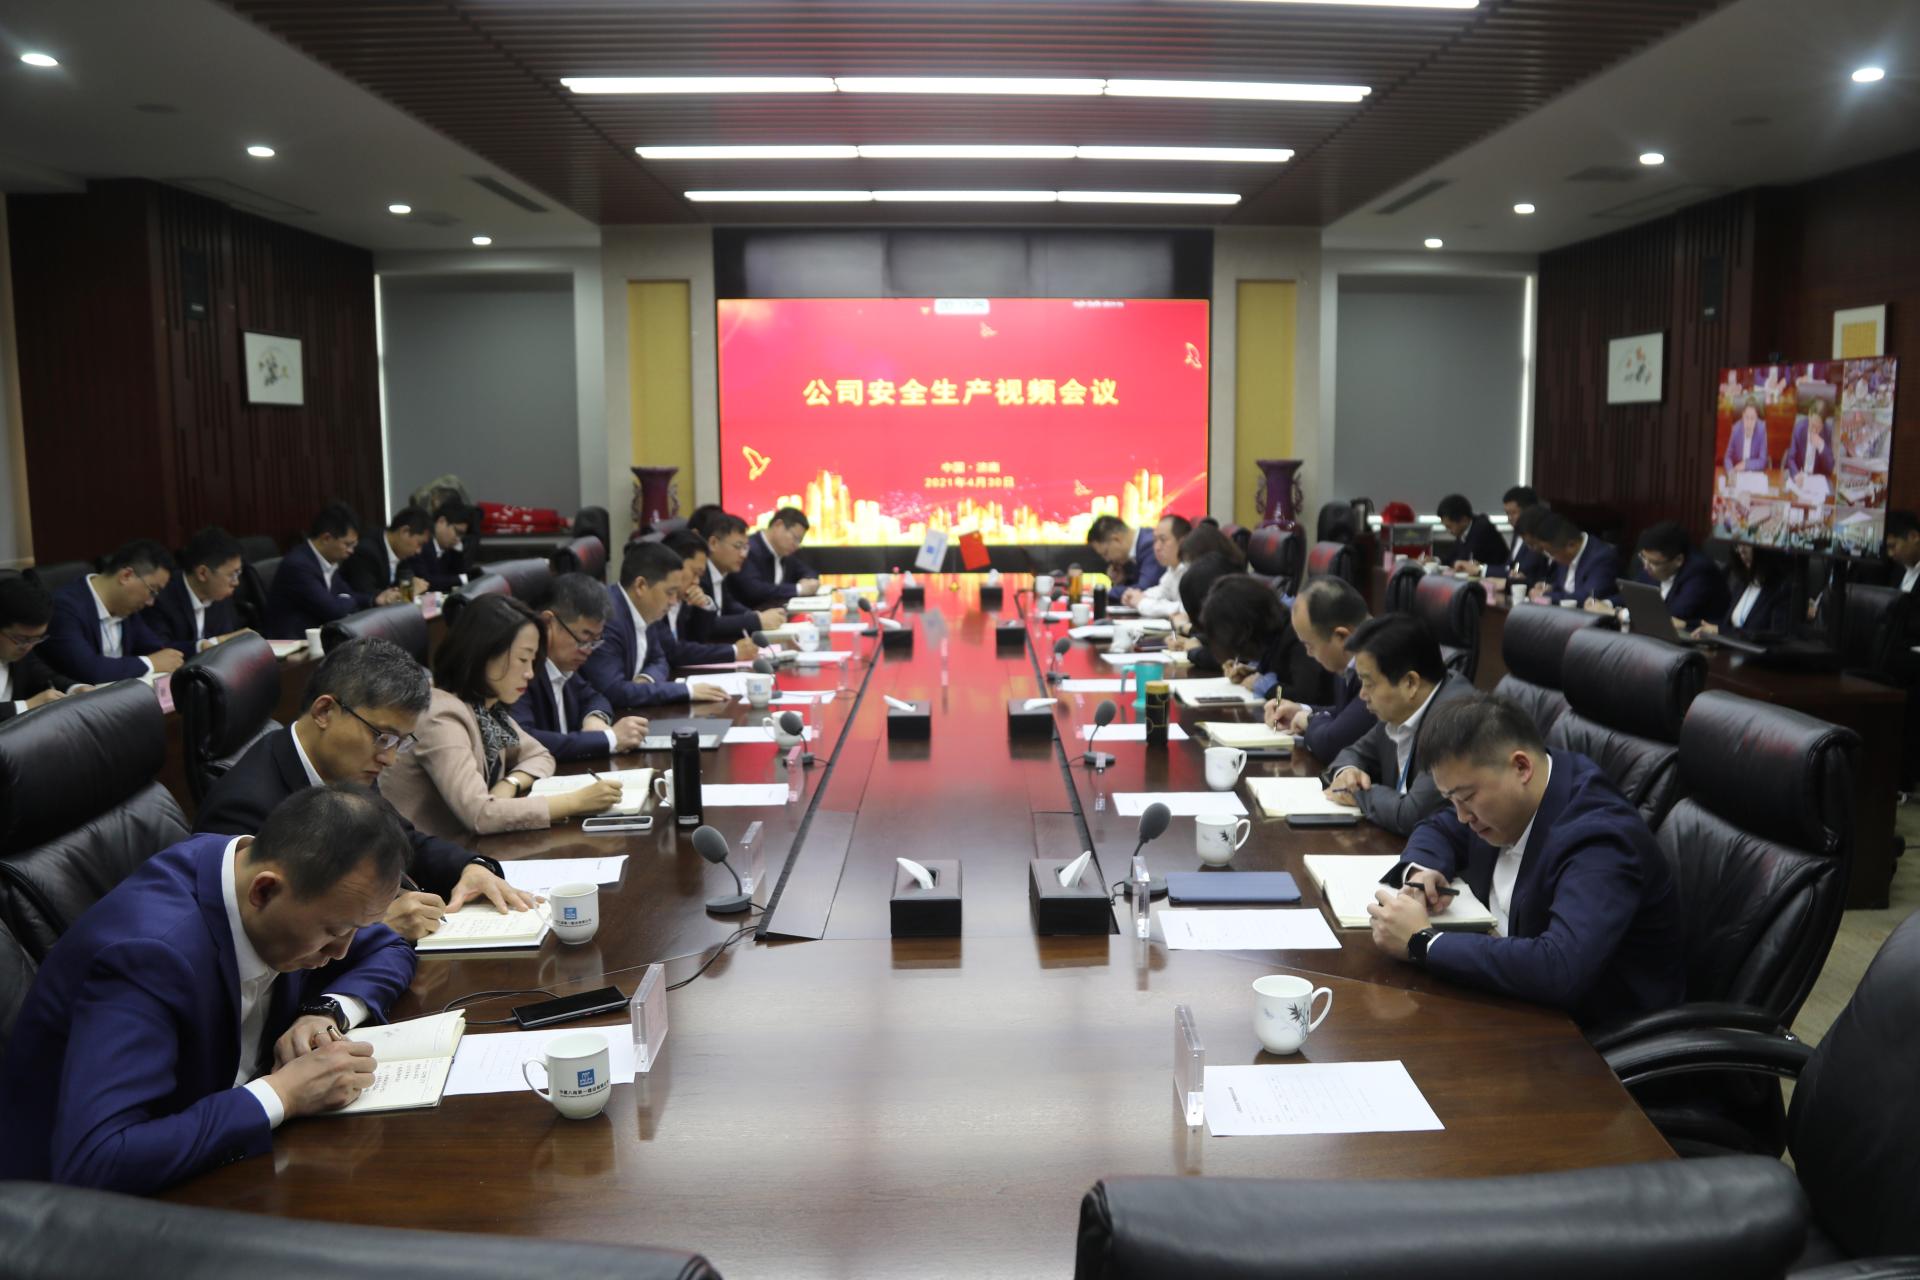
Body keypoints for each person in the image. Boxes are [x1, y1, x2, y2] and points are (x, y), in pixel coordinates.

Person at [0, 784, 419, 1193]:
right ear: (264, 891)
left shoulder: (267, 876)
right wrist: (283, 1094)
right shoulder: (148, 956)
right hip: (66, 1211)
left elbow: (391, 946)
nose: (341, 951)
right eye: (334, 931)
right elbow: (99, 1160)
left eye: (353, 930)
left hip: (221, 1141)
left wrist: (323, 1011)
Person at [1365, 694, 1685, 1026]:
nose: (1462, 816)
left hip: (1586, 1033)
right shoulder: (1513, 789)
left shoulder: (1600, 839)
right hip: (1506, 995)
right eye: (1451, 799)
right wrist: (1422, 870)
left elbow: (1560, 968)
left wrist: (1424, 942)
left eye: (1466, 797)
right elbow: (1440, 826)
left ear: (1521, 767)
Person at [196, 636, 537, 940]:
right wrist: (375, 927)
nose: (389, 758)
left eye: (401, 742)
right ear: (325, 711)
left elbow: (400, 839)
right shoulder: (244, 808)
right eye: (382, 737)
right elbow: (256, 938)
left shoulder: (343, 766)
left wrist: (470, 867)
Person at [379, 595, 621, 842]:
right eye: (522, 659)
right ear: (484, 653)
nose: (529, 673)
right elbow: (480, 814)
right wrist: (575, 802)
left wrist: (510, 783)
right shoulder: (441, 716)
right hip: (425, 858)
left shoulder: (484, 707)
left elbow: (540, 755)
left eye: (532, 661)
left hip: (471, 848)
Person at [1322, 613, 1475, 836]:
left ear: (1410, 683)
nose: (1362, 695)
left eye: (1369, 684)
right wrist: (1348, 773)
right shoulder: (1400, 710)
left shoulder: (1456, 720)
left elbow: (1413, 815)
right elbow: (1353, 753)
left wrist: (1357, 792)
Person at [507, 572, 650, 760]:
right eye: (583, 639)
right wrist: (610, 739)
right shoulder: (521, 670)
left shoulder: (564, 663)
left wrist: (595, 718)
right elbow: (524, 741)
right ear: (548, 622)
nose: (588, 651)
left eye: (595, 641)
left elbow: (594, 697)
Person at [581, 541, 731, 710]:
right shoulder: (608, 619)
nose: (674, 601)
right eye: (670, 592)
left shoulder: (645, 610)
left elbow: (660, 659)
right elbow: (614, 692)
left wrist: (646, 679)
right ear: (641, 586)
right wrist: (686, 690)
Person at [42, 538, 185, 684]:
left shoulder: (126, 607)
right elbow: (90, 670)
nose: (151, 602)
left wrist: (195, 648)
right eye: (152, 590)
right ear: (126, 576)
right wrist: (151, 663)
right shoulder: (64, 608)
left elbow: (158, 649)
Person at [1265, 577, 1377, 762]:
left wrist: (1309, 721)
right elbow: (1345, 714)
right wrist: (1301, 710)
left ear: (1342, 637)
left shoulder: (1379, 665)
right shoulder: (1351, 658)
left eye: (1309, 645)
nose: (1309, 654)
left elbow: (1332, 743)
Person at [264, 503, 403, 640]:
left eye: (353, 545)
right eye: (347, 544)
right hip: (294, 643)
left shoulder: (326, 560)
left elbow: (348, 595)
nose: (351, 551)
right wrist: (345, 600)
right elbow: (335, 611)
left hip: (321, 635)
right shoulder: (298, 566)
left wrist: (375, 599)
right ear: (326, 538)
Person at [1198, 573, 1330, 705]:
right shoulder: (1271, 634)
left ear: (1246, 629)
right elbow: (1282, 676)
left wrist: (1265, 687)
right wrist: (1253, 673)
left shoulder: (1297, 634)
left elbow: (1306, 697)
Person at [666, 529, 764, 662]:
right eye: (695, 572)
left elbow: (698, 640)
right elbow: (673, 651)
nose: (696, 581)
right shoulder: (657, 602)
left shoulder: (684, 597)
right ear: (674, 564)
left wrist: (704, 605)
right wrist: (734, 651)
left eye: (699, 575)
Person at [148, 527, 248, 654]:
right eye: (232, 575)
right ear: (203, 573)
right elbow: (161, 651)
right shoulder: (162, 598)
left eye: (238, 573)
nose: (236, 582)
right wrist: (205, 645)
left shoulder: (220, 595)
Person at [0, 575, 78, 721]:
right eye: (22, 639)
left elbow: (38, 671)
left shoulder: (19, 647)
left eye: (37, 639)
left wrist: (74, 688)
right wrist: (26, 706)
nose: (28, 647)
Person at [1629, 520, 1730, 629]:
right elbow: (1630, 595)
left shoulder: (1700, 572)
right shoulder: (1652, 566)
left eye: (1654, 563)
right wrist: (1614, 606)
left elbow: (1674, 615)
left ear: (1678, 560)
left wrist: (1627, 614)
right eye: (1643, 558)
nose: (1646, 566)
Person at [696, 513, 787, 633]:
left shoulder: (720, 572)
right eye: (738, 546)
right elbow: (708, 625)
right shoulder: (698, 576)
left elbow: (729, 604)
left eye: (745, 547)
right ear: (713, 543)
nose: (743, 555)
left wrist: (757, 615)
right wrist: (756, 620)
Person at [1694, 543, 1790, 639]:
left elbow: (1776, 635)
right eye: (1738, 545)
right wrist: (1690, 624)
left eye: (1747, 545)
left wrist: (1720, 631)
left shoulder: (1781, 589)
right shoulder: (1742, 584)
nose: (1741, 551)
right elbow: (1726, 625)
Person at [1528, 513, 1622, 606]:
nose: (1551, 557)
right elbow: (1565, 587)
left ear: (1571, 545)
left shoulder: (1602, 558)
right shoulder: (1565, 552)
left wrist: (1544, 596)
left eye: (1552, 553)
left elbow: (1587, 597)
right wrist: (1550, 588)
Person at [342, 507, 432, 601]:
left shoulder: (403, 554)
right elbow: (369, 596)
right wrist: (408, 591)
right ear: (404, 531)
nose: (419, 551)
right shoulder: (366, 552)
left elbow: (403, 585)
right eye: (419, 544)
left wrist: (411, 587)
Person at [739, 506, 821, 604]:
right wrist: (798, 589)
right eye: (795, 538)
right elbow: (755, 590)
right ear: (778, 525)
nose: (797, 545)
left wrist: (809, 580)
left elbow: (808, 571)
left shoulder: (785, 553)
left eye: (799, 541)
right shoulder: (749, 549)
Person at [1121, 514, 1192, 615]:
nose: (1156, 547)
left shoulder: (1194, 569)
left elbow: (1187, 609)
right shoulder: (1173, 568)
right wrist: (1136, 596)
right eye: (1155, 540)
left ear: (1182, 542)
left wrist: (1142, 602)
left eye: (1163, 540)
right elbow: (1162, 591)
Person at [1086, 514, 1161, 591]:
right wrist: (1121, 581)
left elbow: (1143, 590)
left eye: (1106, 553)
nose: (1107, 560)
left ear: (1116, 539)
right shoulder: (1129, 557)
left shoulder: (1149, 546)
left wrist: (1105, 593)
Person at [1437, 494, 1510, 572]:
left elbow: (1468, 560)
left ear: (1464, 520)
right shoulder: (1464, 531)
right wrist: (1436, 560)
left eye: (1449, 527)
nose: (1448, 531)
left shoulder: (1483, 530)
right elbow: (1452, 557)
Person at [415, 503, 475, 593]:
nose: (458, 539)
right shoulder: (420, 544)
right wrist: (461, 579)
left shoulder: (450, 551)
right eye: (457, 532)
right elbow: (426, 581)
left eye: (461, 535)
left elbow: (457, 579)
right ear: (441, 522)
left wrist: (458, 554)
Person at [1499, 487, 1553, 583]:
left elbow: (1527, 570)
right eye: (1507, 513)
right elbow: (1510, 567)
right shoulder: (1518, 530)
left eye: (1514, 513)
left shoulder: (1541, 533)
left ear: (1530, 511)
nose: (1509, 519)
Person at [1782, 404, 1836, 484]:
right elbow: (1790, 458)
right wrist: (1796, 474)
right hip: (1800, 475)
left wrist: (1821, 446)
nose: (1814, 430)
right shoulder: (1799, 429)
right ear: (1809, 416)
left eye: (1818, 427)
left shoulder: (1826, 432)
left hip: (1816, 479)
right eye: (1812, 425)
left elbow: (1830, 467)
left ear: (1823, 425)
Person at [1723, 400, 1770, 475]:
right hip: (1738, 474)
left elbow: (1763, 461)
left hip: (1755, 474)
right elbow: (1727, 457)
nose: (1749, 423)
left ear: (1756, 418)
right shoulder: (1736, 429)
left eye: (1752, 418)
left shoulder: (1762, 429)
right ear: (1743, 416)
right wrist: (1730, 471)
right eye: (1747, 417)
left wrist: (1746, 465)